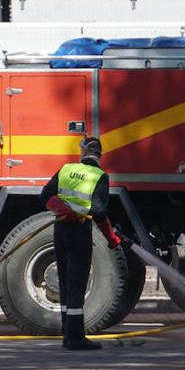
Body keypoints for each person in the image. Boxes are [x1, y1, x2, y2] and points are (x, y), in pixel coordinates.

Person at [40, 137, 123, 351]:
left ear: (83, 153)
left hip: (61, 230)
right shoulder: (100, 176)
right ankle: (76, 338)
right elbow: (99, 211)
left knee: (66, 281)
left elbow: (46, 195)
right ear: (100, 155)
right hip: (79, 232)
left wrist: (63, 210)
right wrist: (112, 239)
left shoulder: (67, 169)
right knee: (77, 283)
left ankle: (67, 333)